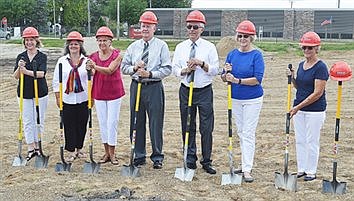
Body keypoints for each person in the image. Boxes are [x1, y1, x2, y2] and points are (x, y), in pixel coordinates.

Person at [121, 11, 172, 169]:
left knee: (156, 122)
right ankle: (139, 154)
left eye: (148, 26)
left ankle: (157, 156)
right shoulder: (133, 47)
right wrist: (135, 68)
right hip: (137, 86)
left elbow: (167, 69)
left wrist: (150, 73)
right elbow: (124, 67)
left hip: (154, 86)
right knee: (137, 121)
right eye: (143, 25)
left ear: (154, 27)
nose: (145, 29)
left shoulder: (161, 46)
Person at [172, 10, 219, 174]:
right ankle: (190, 159)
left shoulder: (210, 47)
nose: (192, 30)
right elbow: (175, 69)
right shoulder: (180, 47)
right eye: (189, 26)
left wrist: (201, 64)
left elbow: (215, 70)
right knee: (187, 124)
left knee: (206, 127)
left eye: (195, 27)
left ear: (202, 28)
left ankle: (206, 161)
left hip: (204, 91)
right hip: (186, 89)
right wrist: (185, 70)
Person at [221, 20, 265, 182]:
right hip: (235, 98)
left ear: (251, 37)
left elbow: (257, 79)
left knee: (248, 133)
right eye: (240, 35)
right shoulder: (232, 54)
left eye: (246, 36)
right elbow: (224, 77)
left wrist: (237, 80)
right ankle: (243, 164)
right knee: (240, 132)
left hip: (252, 99)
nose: (242, 39)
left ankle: (247, 169)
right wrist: (226, 74)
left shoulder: (256, 55)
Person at [288, 31, 328, 181]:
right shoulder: (300, 65)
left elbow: (317, 93)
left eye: (310, 48)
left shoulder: (321, 67)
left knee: (312, 140)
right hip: (299, 109)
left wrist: (298, 107)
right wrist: (292, 78)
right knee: (300, 140)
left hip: (315, 110)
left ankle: (311, 171)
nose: (306, 50)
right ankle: (301, 169)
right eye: (304, 47)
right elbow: (300, 87)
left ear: (317, 48)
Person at [86, 26, 125, 165]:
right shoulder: (93, 57)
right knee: (103, 123)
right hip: (99, 92)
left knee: (112, 122)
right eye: (100, 40)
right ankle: (106, 152)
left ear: (110, 41)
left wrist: (94, 66)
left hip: (114, 92)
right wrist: (89, 69)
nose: (102, 43)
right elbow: (91, 74)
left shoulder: (117, 55)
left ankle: (113, 153)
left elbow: (109, 70)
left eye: (105, 40)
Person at [52, 31, 90, 162]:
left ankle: (79, 148)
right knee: (69, 125)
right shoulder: (62, 61)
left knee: (82, 124)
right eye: (71, 44)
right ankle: (71, 150)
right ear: (68, 46)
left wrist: (92, 97)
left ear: (80, 46)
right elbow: (56, 81)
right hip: (67, 99)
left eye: (76, 44)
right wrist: (58, 97)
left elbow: (93, 78)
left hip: (83, 98)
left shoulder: (86, 61)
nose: (73, 46)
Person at [13, 27, 48, 161]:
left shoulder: (42, 56)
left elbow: (41, 74)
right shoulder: (20, 57)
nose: (29, 43)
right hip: (24, 93)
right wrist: (19, 68)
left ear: (36, 41)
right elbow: (16, 76)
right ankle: (31, 148)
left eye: (31, 40)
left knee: (38, 120)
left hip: (40, 93)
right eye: (27, 40)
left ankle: (38, 147)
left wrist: (26, 71)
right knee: (27, 121)